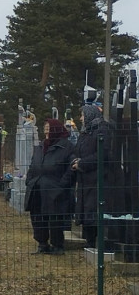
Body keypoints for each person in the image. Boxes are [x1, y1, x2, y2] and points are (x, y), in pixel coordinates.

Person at [25, 118, 75, 255]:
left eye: (49, 127)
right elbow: (32, 164)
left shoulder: (66, 146)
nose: (46, 129)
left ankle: (57, 245)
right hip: (37, 186)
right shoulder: (41, 146)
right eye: (45, 127)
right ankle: (42, 244)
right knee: (37, 217)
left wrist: (62, 185)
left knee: (55, 218)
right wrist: (29, 180)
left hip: (55, 189)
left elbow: (72, 168)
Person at [72, 104, 112, 247]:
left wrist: (82, 164)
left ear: (89, 115)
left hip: (97, 180)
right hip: (85, 180)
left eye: (82, 115)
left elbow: (102, 154)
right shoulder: (86, 132)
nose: (81, 118)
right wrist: (76, 160)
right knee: (87, 212)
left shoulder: (102, 130)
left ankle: (97, 245)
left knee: (94, 212)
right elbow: (78, 150)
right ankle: (89, 243)